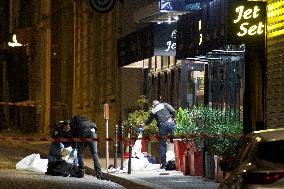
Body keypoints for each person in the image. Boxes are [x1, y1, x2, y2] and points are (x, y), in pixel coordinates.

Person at [143, 100, 176, 169]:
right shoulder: (165, 104)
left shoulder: (153, 110)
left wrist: (144, 125)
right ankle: (177, 161)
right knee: (176, 141)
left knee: (163, 145)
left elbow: (149, 120)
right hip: (170, 122)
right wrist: (173, 118)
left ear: (153, 105)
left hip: (162, 126)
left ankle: (163, 164)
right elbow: (173, 111)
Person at [70, 115, 104, 179]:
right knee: (95, 153)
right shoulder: (87, 120)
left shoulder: (74, 122)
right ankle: (99, 173)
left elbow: (73, 135)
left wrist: (74, 146)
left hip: (83, 133)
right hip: (93, 131)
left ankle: (81, 171)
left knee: (79, 153)